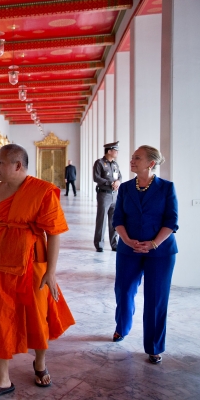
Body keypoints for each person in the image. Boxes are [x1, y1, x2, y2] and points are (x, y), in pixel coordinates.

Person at [0, 144, 75, 399]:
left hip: (33, 259)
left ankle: (40, 363)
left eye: (0, 163)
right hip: (0, 260)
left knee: (37, 313)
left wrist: (51, 272)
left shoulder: (42, 192)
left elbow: (53, 233)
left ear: (17, 165)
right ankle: (3, 379)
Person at [112, 145, 178, 365]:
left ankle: (154, 346)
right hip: (129, 248)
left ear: (151, 163)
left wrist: (153, 244)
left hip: (160, 252)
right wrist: (127, 240)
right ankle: (122, 328)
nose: (132, 161)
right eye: (131, 157)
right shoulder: (125, 188)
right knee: (123, 290)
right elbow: (117, 219)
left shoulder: (166, 188)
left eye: (137, 158)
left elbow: (171, 222)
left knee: (156, 298)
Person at [93, 142, 122, 252]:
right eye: (116, 150)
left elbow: (119, 176)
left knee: (114, 220)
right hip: (104, 194)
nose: (117, 152)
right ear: (109, 151)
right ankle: (99, 244)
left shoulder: (115, 164)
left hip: (114, 195)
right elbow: (96, 178)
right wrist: (111, 183)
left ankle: (114, 244)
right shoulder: (99, 163)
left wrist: (118, 182)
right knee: (102, 219)